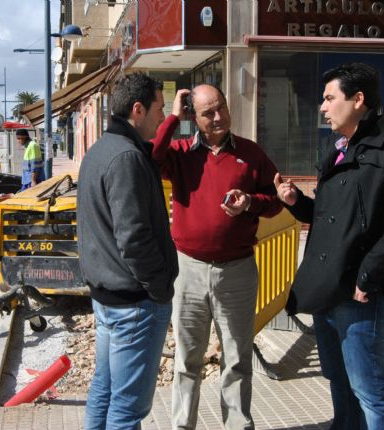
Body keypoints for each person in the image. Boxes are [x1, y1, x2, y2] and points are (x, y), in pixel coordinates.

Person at [273, 62, 384, 429]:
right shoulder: (336, 148)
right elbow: (330, 217)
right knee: (339, 381)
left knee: (371, 390)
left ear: (358, 100)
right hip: (327, 288)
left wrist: (368, 274)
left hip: (361, 294)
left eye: (330, 98)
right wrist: (296, 202)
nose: (322, 107)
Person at [151, 84, 282, 430]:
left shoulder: (251, 153)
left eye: (221, 107)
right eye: (208, 112)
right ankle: (183, 425)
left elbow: (276, 200)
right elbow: (152, 159)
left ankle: (238, 424)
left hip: (237, 270)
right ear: (194, 117)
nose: (219, 116)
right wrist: (172, 117)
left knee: (237, 358)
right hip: (188, 270)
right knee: (187, 360)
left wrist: (251, 202)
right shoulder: (181, 153)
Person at [78, 72, 178, 430]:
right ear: (138, 109)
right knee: (127, 409)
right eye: (159, 109)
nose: (162, 117)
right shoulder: (125, 157)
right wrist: (159, 287)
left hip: (110, 298)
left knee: (105, 391)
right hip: (133, 303)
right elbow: (134, 237)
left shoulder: (102, 150)